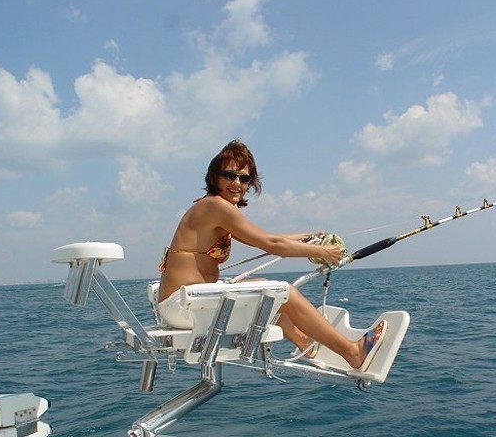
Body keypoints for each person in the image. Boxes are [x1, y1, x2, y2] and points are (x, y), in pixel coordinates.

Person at [158, 140, 385, 370]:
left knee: (269, 290)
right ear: (215, 177)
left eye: (244, 178)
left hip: (187, 304)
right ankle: (352, 352)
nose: (237, 183)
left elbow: (267, 238)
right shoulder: (216, 206)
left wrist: (306, 237)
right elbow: (272, 244)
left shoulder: (215, 208)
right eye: (229, 175)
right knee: (285, 293)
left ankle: (305, 342)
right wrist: (322, 252)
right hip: (183, 307)